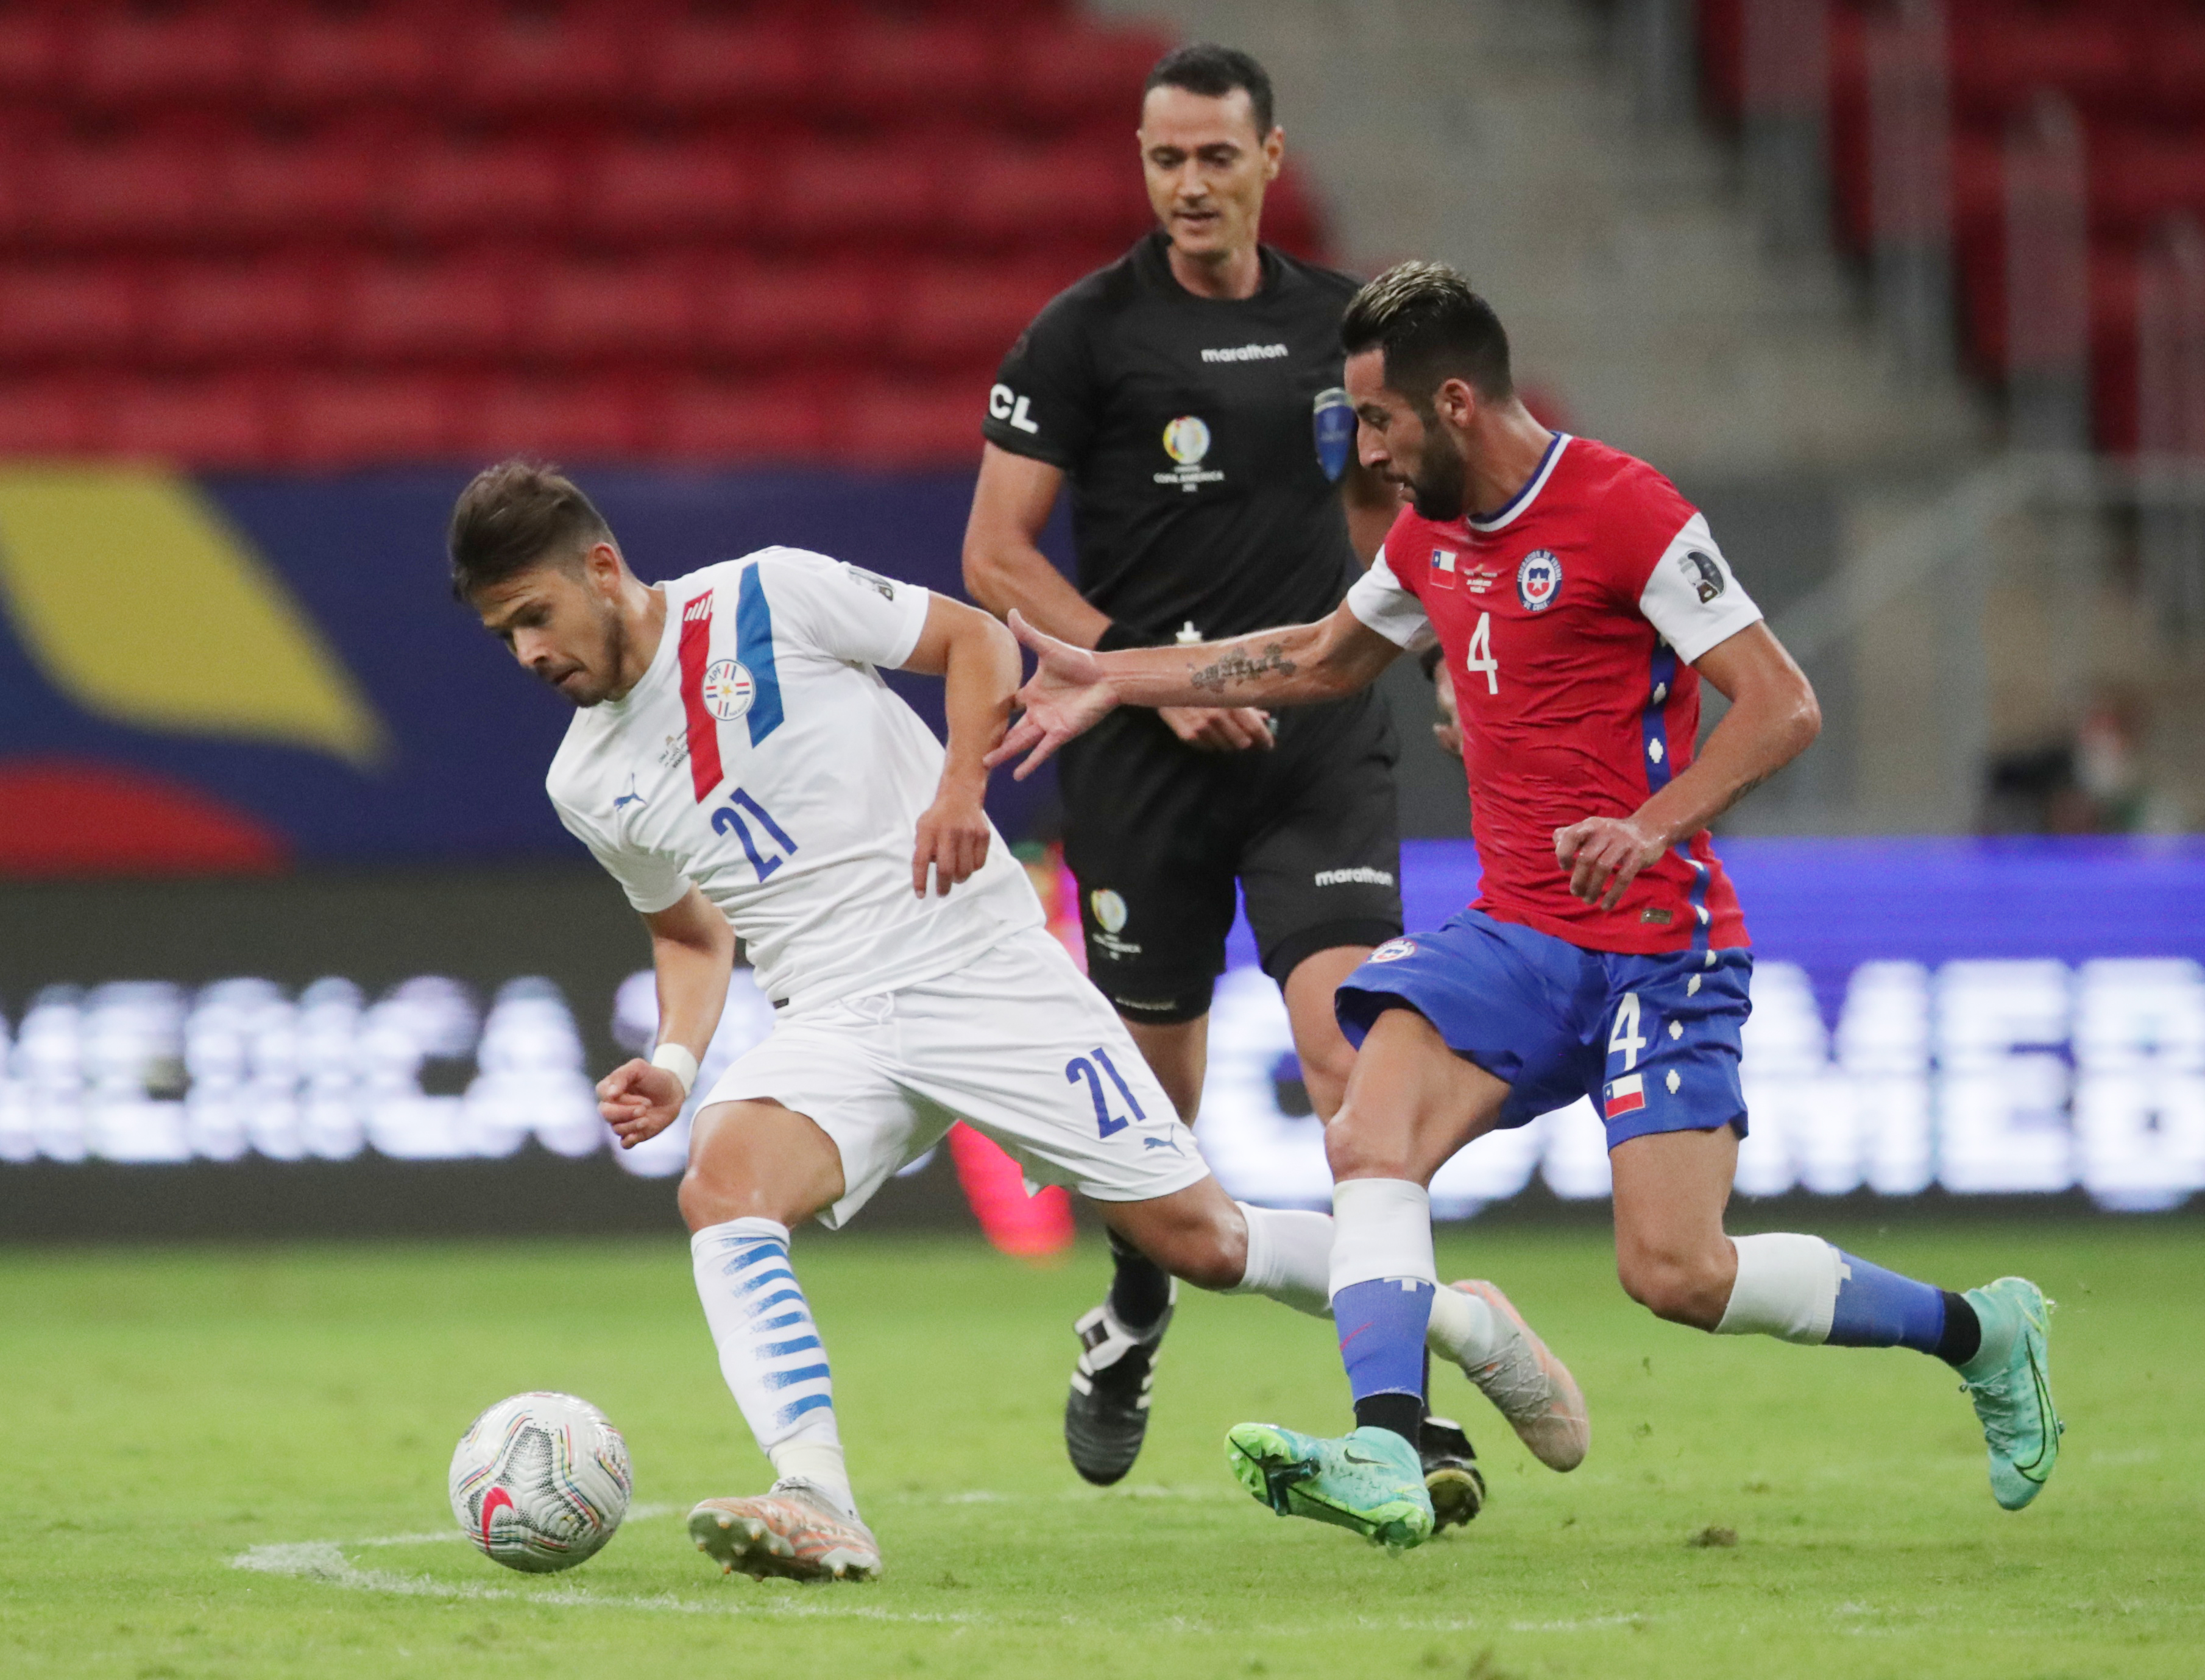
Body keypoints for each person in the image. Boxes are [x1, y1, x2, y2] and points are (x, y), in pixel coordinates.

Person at [990, 263, 2064, 1552]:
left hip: (1662, 943)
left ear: (1454, 404)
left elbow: (1782, 702)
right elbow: (1323, 656)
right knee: (1367, 1126)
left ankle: (1984, 1329)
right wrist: (1117, 672)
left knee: (1677, 1272)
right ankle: (1390, 1443)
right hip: (1519, 934)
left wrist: (1652, 823)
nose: (1365, 450)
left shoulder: (1628, 512)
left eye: (1379, 423)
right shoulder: (1427, 540)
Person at [448, 460, 1587, 1581]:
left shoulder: (766, 594)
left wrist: (958, 791)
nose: (530, 654)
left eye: (535, 616)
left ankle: (1463, 1321)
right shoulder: (585, 780)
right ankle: (818, 1495)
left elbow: (978, 641)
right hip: (836, 1015)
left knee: (1202, 1241)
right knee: (723, 1183)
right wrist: (676, 1057)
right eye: (505, 637)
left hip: (979, 962)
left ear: (602, 569)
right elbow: (692, 934)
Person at [961, 44, 1485, 1506]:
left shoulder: (1346, 327)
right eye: (1163, 158)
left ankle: (1400, 1411)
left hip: (1317, 743)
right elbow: (994, 555)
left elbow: (1405, 517)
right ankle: (1132, 1317)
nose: (1188, 184)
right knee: (1153, 1109)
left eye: (1214, 157)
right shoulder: (1082, 335)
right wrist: (1144, 672)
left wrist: (1440, 655)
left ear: (1269, 159)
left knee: (1354, 1060)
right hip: (1141, 758)